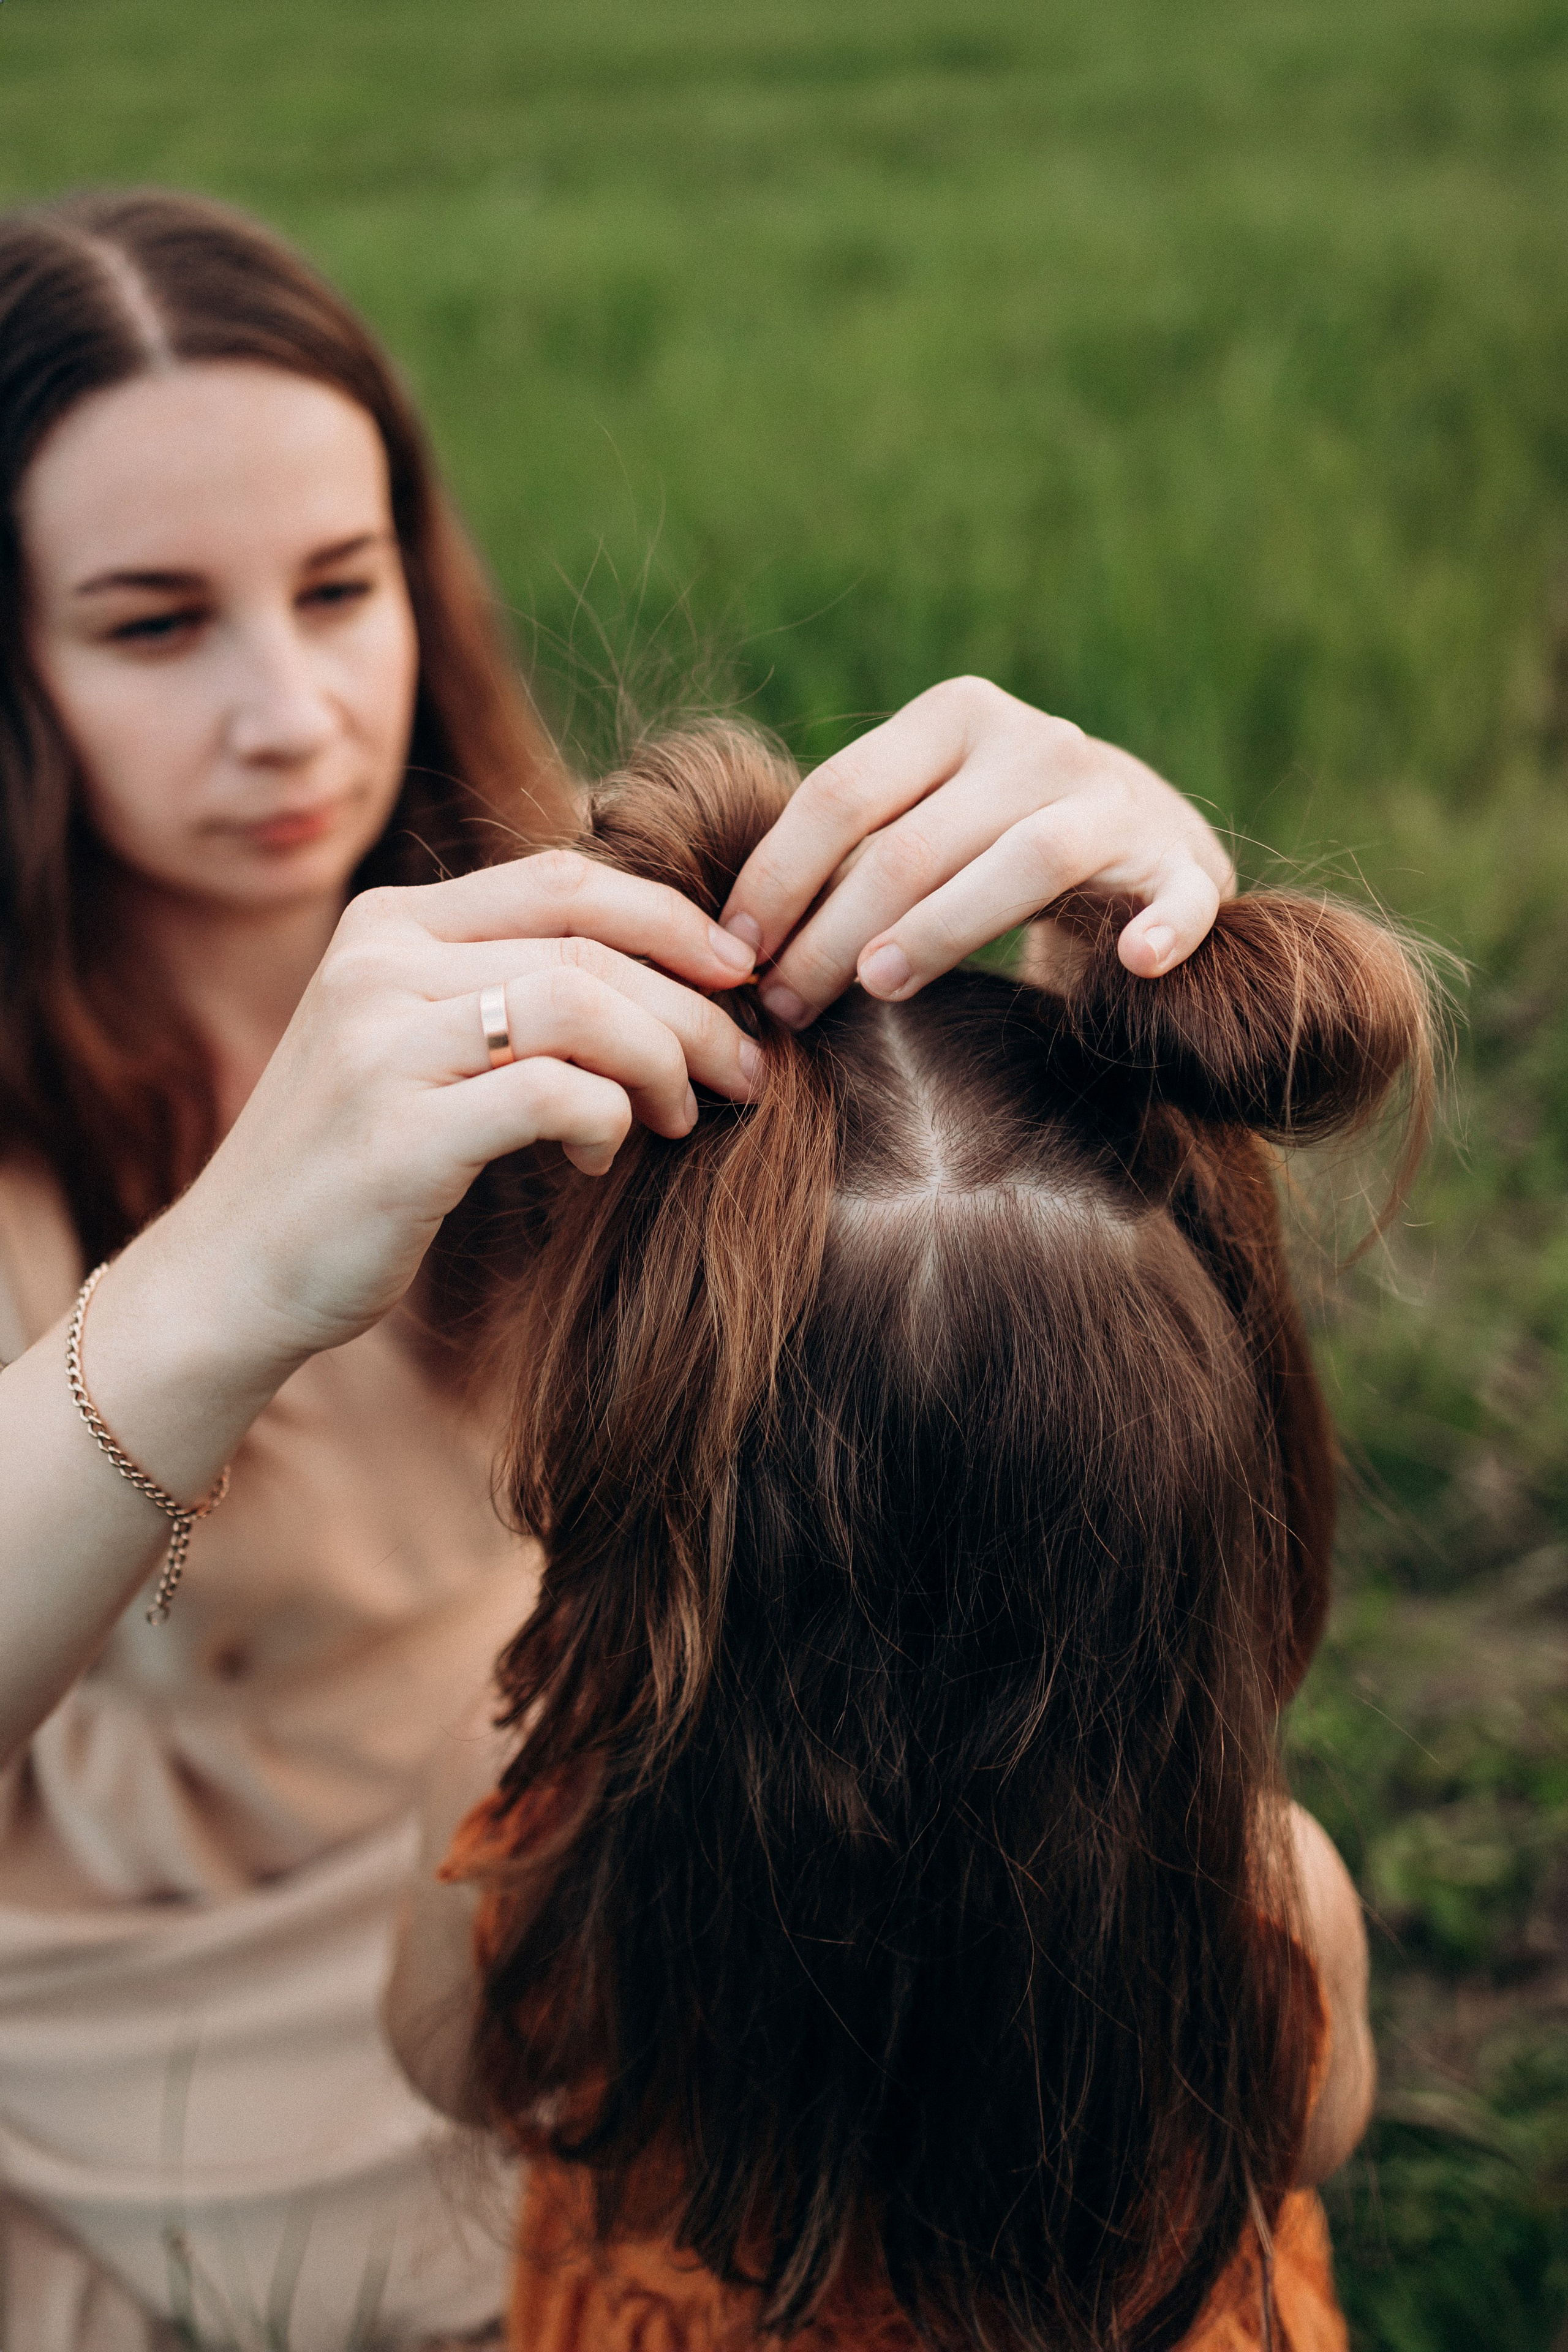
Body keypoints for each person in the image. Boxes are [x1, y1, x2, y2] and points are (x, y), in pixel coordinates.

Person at [0, 189, 1238, 2352]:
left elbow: (960, 1312)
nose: (291, 713)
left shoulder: (573, 939)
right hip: (181, 2061)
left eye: (340, 584)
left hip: (645, 1885)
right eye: (152, 624)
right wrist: (214, 1285)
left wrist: (1126, 941)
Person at [385, 725, 1428, 2352]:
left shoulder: (533, 1834)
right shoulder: (1266, 1906)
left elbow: (441, 2061)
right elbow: (1316, 2133)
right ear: (1209, 1535)